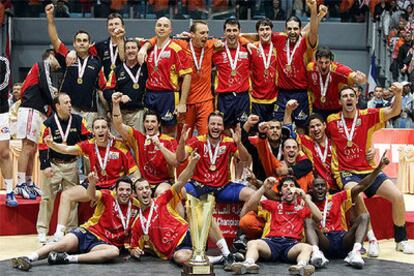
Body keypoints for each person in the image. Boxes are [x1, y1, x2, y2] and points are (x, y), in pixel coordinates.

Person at [327, 84, 414, 255]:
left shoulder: (368, 115)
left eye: (351, 95)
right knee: (356, 194)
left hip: (369, 169)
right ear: (340, 101)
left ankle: (401, 240)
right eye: (344, 96)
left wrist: (397, 94)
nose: (348, 98)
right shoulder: (331, 120)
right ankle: (372, 238)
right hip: (346, 172)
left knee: (397, 196)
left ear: (357, 98)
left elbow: (393, 112)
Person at [11, 175, 140, 271]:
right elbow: (91, 195)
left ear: (132, 192)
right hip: (88, 232)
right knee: (61, 244)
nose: (124, 193)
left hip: (104, 244)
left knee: (114, 252)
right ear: (116, 190)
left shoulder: (136, 205)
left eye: (128, 190)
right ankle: (28, 258)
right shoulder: (107, 195)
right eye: (121, 190)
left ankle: (67, 258)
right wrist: (92, 184)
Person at [176, 111, 253, 270]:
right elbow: (180, 158)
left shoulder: (229, 141)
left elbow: (245, 158)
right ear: (208, 125)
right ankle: (184, 236)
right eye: (213, 124)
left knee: (252, 194)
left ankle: (240, 234)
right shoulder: (197, 140)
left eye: (219, 124)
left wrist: (238, 143)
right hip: (198, 185)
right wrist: (182, 142)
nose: (216, 127)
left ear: (223, 126)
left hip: (222, 187)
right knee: (177, 192)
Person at [45, 117, 139, 242]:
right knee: (66, 195)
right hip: (94, 184)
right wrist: (52, 144)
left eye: (104, 127)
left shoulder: (120, 147)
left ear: (108, 130)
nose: (101, 130)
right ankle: (58, 234)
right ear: (93, 131)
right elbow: (67, 149)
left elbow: (136, 174)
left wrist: (130, 188)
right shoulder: (89, 145)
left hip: (113, 188)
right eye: (97, 127)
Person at [305, 153, 389, 269]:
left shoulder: (337, 197)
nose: (320, 188)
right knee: (308, 222)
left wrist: (378, 168)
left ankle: (356, 251)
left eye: (322, 186)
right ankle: (315, 252)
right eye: (316, 186)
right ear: (311, 190)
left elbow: (360, 187)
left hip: (342, 239)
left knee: (364, 217)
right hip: (324, 240)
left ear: (327, 189)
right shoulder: (308, 203)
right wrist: (307, 198)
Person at [231, 176, 322, 275]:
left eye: (292, 186)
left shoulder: (302, 209)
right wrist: (263, 188)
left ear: (296, 191)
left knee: (307, 248)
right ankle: (248, 264)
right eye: (285, 186)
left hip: (292, 245)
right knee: (252, 243)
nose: (288, 188)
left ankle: (301, 266)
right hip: (271, 242)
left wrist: (305, 197)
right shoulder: (272, 205)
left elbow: (319, 217)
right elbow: (250, 206)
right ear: (280, 192)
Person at [36, 93, 91, 244]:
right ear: (57, 106)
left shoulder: (79, 120)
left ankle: (71, 230)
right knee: (47, 199)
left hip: (72, 164)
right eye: (65, 103)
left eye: (70, 102)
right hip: (53, 164)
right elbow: (41, 146)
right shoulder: (47, 123)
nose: (69, 105)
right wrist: (45, 165)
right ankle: (42, 231)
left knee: (72, 199)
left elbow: (88, 139)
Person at [129, 150, 200, 264]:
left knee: (205, 216)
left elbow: (181, 181)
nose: (145, 191)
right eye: (141, 189)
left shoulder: (161, 199)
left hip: (187, 234)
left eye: (147, 188)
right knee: (180, 258)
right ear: (135, 194)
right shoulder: (138, 223)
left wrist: (193, 162)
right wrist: (135, 252)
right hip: (177, 251)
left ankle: (225, 254)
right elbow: (133, 247)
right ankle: (213, 259)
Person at [46, 4, 103, 129]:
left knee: (87, 144)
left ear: (89, 44)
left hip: (90, 110)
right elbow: (55, 40)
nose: (82, 43)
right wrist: (50, 17)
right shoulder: (67, 57)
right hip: (69, 109)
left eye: (84, 40)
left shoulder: (97, 62)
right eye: (79, 40)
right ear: (74, 43)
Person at [15, 49, 61, 201]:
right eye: (58, 61)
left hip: (37, 112)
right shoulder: (43, 65)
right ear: (51, 56)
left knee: (33, 150)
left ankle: (28, 181)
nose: (58, 66)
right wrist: (57, 108)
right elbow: (47, 89)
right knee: (27, 147)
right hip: (30, 110)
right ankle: (20, 184)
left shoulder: (43, 70)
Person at [111, 92, 177, 196]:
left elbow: (175, 162)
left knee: (162, 193)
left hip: (163, 182)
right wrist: (115, 104)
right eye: (147, 121)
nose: (149, 124)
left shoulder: (169, 140)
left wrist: (160, 146)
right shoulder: (138, 138)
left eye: (153, 122)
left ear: (159, 124)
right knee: (121, 193)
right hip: (142, 182)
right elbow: (118, 125)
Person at [138, 17, 192, 137]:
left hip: (168, 95)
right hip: (150, 94)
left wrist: (182, 102)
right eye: (159, 25)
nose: (162, 28)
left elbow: (187, 76)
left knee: (168, 132)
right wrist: (143, 48)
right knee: (149, 130)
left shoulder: (176, 49)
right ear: (155, 28)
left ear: (170, 30)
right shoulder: (149, 48)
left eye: (165, 26)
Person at [272, 0, 319, 130]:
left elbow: (314, 31)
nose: (292, 31)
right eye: (289, 28)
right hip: (282, 94)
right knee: (280, 127)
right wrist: (242, 39)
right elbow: (259, 36)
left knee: (301, 129)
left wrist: (314, 11)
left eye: (295, 28)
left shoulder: (306, 42)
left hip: (301, 94)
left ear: (300, 30)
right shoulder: (279, 39)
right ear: (285, 29)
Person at [306, 46, 367, 120]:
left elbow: (353, 76)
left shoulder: (338, 70)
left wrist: (361, 79)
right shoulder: (310, 68)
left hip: (336, 110)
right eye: (320, 62)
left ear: (331, 61)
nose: (324, 66)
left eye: (327, 62)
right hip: (318, 109)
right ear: (316, 61)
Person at [212, 18, 251, 129]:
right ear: (224, 32)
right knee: (223, 129)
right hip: (224, 98)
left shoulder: (247, 49)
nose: (232, 34)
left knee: (243, 129)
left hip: (242, 97)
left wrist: (246, 41)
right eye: (229, 30)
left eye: (235, 30)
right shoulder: (216, 50)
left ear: (239, 31)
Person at [104, 39, 148, 132]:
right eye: (127, 48)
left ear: (138, 50)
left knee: (137, 144)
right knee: (118, 145)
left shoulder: (146, 68)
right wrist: (117, 96)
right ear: (124, 52)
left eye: (133, 48)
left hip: (139, 113)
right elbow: (107, 90)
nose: (130, 50)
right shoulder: (117, 70)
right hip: (120, 114)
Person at [249, 19, 278, 122]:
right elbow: (238, 36)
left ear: (271, 31)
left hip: (274, 98)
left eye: (267, 29)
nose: (265, 32)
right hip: (256, 99)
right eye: (261, 29)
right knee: (257, 132)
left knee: (273, 132)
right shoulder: (252, 47)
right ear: (257, 32)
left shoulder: (277, 47)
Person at [0, 56, 16, 206]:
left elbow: (4, 85)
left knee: (4, 153)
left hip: (1, 112)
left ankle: (10, 191)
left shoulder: (3, 61)